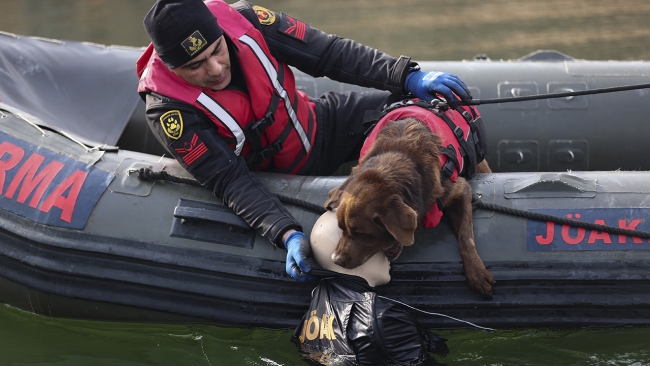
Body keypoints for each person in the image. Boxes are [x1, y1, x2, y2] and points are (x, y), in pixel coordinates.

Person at [136, 0, 473, 282]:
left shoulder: (247, 20)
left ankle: (462, 176)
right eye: (195, 65)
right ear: (170, 67)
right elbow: (228, 180)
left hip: (318, 126)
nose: (214, 69)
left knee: (407, 108)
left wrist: (405, 75)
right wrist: (286, 232)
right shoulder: (168, 110)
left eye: (217, 50)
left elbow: (328, 53)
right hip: (273, 179)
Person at [292, 210, 449, 365]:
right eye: (384, 246)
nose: (390, 254)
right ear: (352, 256)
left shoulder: (313, 311)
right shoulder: (383, 318)